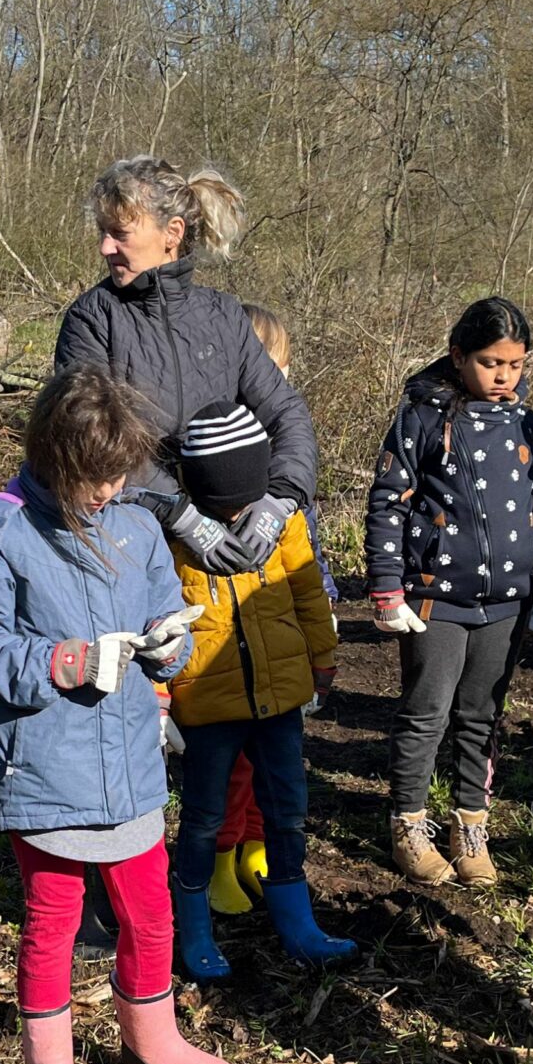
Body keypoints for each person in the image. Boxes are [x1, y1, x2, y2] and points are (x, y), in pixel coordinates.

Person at [0, 368, 235, 1064]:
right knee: (52, 922)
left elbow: (166, 610)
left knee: (151, 913)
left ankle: (155, 1037)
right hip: (45, 766)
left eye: (117, 476)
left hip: (130, 764)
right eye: (91, 479)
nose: (106, 491)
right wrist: (63, 662)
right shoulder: (1, 532)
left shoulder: (137, 525)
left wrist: (171, 646)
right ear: (49, 458)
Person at [53, 158, 319, 953]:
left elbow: (287, 414)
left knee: (255, 759)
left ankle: (279, 903)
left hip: (228, 562)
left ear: (172, 234)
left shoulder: (221, 317)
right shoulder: (92, 321)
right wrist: (179, 511)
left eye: (118, 230)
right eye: (102, 229)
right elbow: (88, 428)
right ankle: (121, 911)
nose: (104, 246)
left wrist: (280, 500)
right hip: (124, 548)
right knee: (123, 732)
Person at [366, 297, 533, 890]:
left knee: (482, 716)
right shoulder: (421, 418)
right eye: (490, 362)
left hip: (507, 600)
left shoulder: (528, 424)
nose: (504, 376)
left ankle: (471, 826)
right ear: (457, 356)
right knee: (427, 714)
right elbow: (387, 502)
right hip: (434, 598)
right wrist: (386, 587)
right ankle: (410, 824)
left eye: (516, 364)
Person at [163, 403, 355, 975]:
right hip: (206, 701)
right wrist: (164, 692)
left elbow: (308, 595)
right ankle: (193, 924)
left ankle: (297, 919)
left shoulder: (283, 522)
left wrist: (322, 659)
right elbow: (162, 616)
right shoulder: (175, 537)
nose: (237, 513)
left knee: (287, 807)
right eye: (224, 504)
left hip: (279, 694)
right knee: (202, 816)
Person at [205, 303, 336, 918]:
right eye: (269, 372)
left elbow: (305, 574)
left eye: (283, 372)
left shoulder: (280, 474)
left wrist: (321, 642)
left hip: (278, 651)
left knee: (277, 766)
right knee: (228, 770)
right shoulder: (209, 472)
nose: (278, 387)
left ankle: (258, 843)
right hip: (223, 662)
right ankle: (223, 854)